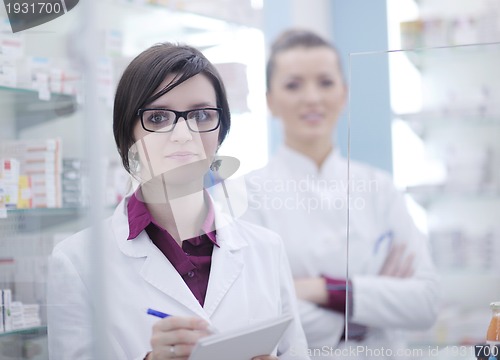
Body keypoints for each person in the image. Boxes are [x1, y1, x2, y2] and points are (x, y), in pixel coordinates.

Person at [46, 42, 310, 360]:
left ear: (221, 130)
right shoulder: (77, 263)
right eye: (158, 118)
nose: (183, 134)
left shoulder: (266, 249)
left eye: (200, 115)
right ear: (128, 134)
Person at [242, 29, 440, 358]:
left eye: (325, 82)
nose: (312, 98)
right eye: (293, 85)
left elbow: (426, 302)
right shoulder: (247, 196)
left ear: (344, 94)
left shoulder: (379, 187)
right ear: (270, 101)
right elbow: (261, 314)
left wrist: (323, 290)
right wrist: (368, 311)